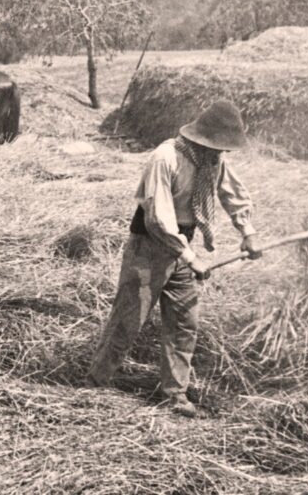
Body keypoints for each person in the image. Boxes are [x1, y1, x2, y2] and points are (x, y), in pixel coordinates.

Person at [87, 100, 262, 417]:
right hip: (149, 249)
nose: (223, 154)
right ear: (203, 138)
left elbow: (233, 193)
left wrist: (247, 231)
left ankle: (175, 395)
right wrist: (189, 256)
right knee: (129, 320)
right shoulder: (165, 157)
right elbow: (158, 219)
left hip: (183, 249)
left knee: (184, 324)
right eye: (219, 146)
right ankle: (97, 382)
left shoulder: (212, 160)